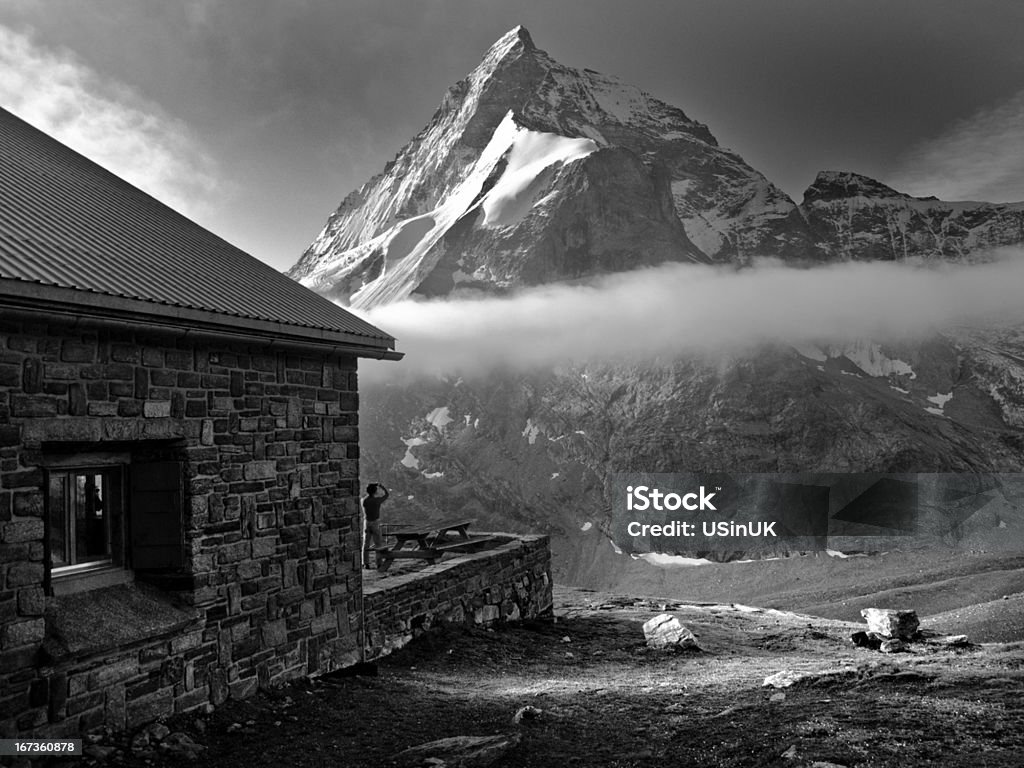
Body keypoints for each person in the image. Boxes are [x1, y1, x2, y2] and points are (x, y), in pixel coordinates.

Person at [362, 482, 389, 569]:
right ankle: (379, 562)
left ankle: (365, 563)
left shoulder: (364, 500)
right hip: (375, 522)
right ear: (375, 491)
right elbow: (387, 495)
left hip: (367, 522)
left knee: (366, 543)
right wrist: (382, 487)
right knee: (378, 543)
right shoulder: (377, 501)